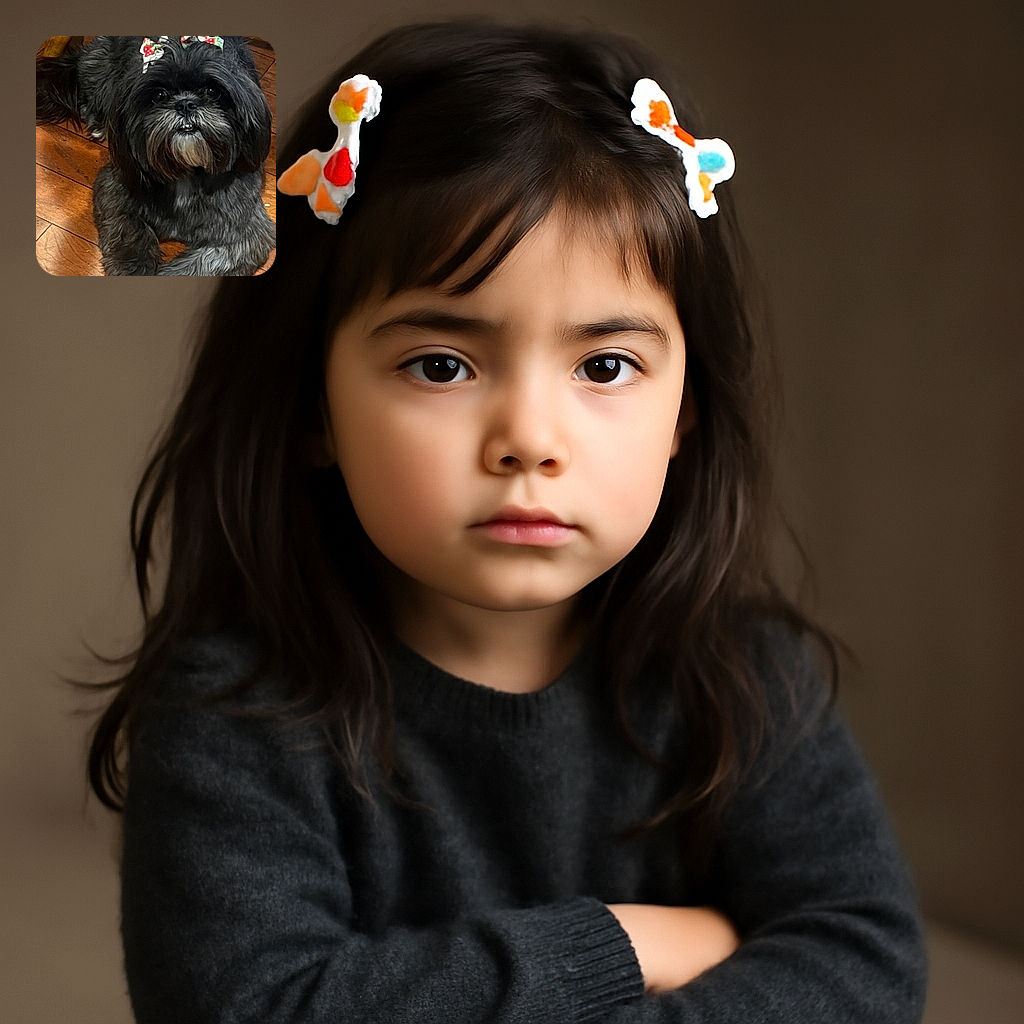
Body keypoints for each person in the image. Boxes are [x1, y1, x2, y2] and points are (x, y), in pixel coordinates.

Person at [86, 19, 927, 1023]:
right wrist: (627, 942)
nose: (529, 439)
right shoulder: (234, 712)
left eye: (604, 366)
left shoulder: (741, 679)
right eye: (441, 365)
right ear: (313, 407)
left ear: (685, 412)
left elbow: (865, 964)